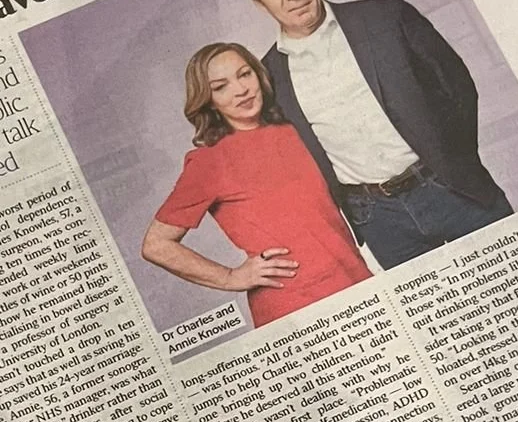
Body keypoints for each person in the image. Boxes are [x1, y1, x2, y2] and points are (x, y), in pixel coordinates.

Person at [238, 0, 513, 271]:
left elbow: (456, 86)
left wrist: (454, 163)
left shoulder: (386, 15)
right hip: (379, 220)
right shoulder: (268, 77)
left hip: (454, 192)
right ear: (258, 1)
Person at [142, 43, 371, 329]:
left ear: (258, 76)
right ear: (209, 100)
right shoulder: (209, 162)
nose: (241, 90)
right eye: (221, 86)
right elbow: (156, 244)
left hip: (357, 279)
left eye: (244, 74)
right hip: (294, 306)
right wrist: (230, 277)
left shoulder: (296, 130)